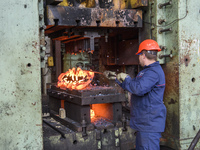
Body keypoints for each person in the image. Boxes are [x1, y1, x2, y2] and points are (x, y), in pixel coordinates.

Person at [105, 39, 166, 150]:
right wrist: (116, 79)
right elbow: (134, 86)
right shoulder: (147, 71)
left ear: (143, 55)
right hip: (144, 123)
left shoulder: (153, 72)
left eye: (139, 55)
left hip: (149, 124)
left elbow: (138, 89)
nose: (139, 58)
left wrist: (127, 78)